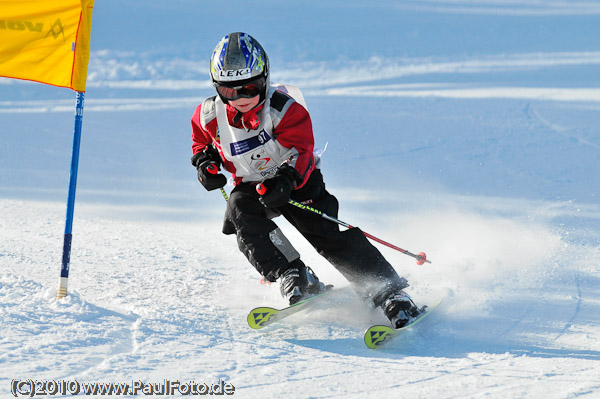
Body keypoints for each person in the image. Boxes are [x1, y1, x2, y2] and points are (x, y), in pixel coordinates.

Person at [190, 32, 422, 328]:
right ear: (217, 88)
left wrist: (287, 180)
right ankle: (293, 273)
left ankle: (388, 293)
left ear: (265, 78)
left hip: (296, 180)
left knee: (325, 233)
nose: (242, 98)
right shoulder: (208, 114)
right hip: (252, 185)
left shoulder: (283, 109)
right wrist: (205, 163)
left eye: (250, 87)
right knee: (241, 215)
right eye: (230, 91)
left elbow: (302, 149)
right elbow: (201, 143)